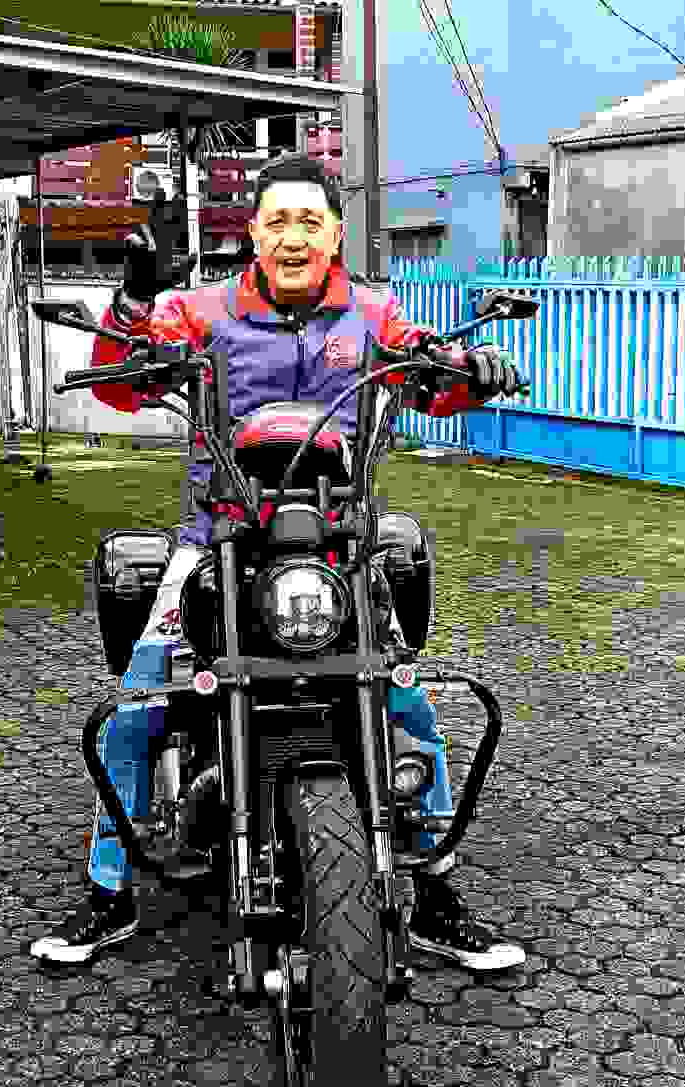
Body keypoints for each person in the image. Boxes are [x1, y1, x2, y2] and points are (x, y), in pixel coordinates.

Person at [30, 152, 527, 974]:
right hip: (217, 540)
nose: (293, 237)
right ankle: (108, 889)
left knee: (409, 703)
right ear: (254, 232)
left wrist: (472, 370)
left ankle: (434, 889)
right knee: (139, 701)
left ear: (334, 233)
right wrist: (135, 298)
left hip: (340, 546)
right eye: (277, 222)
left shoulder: (373, 314)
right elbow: (123, 382)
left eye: (309, 222)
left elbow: (430, 371)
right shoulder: (199, 311)